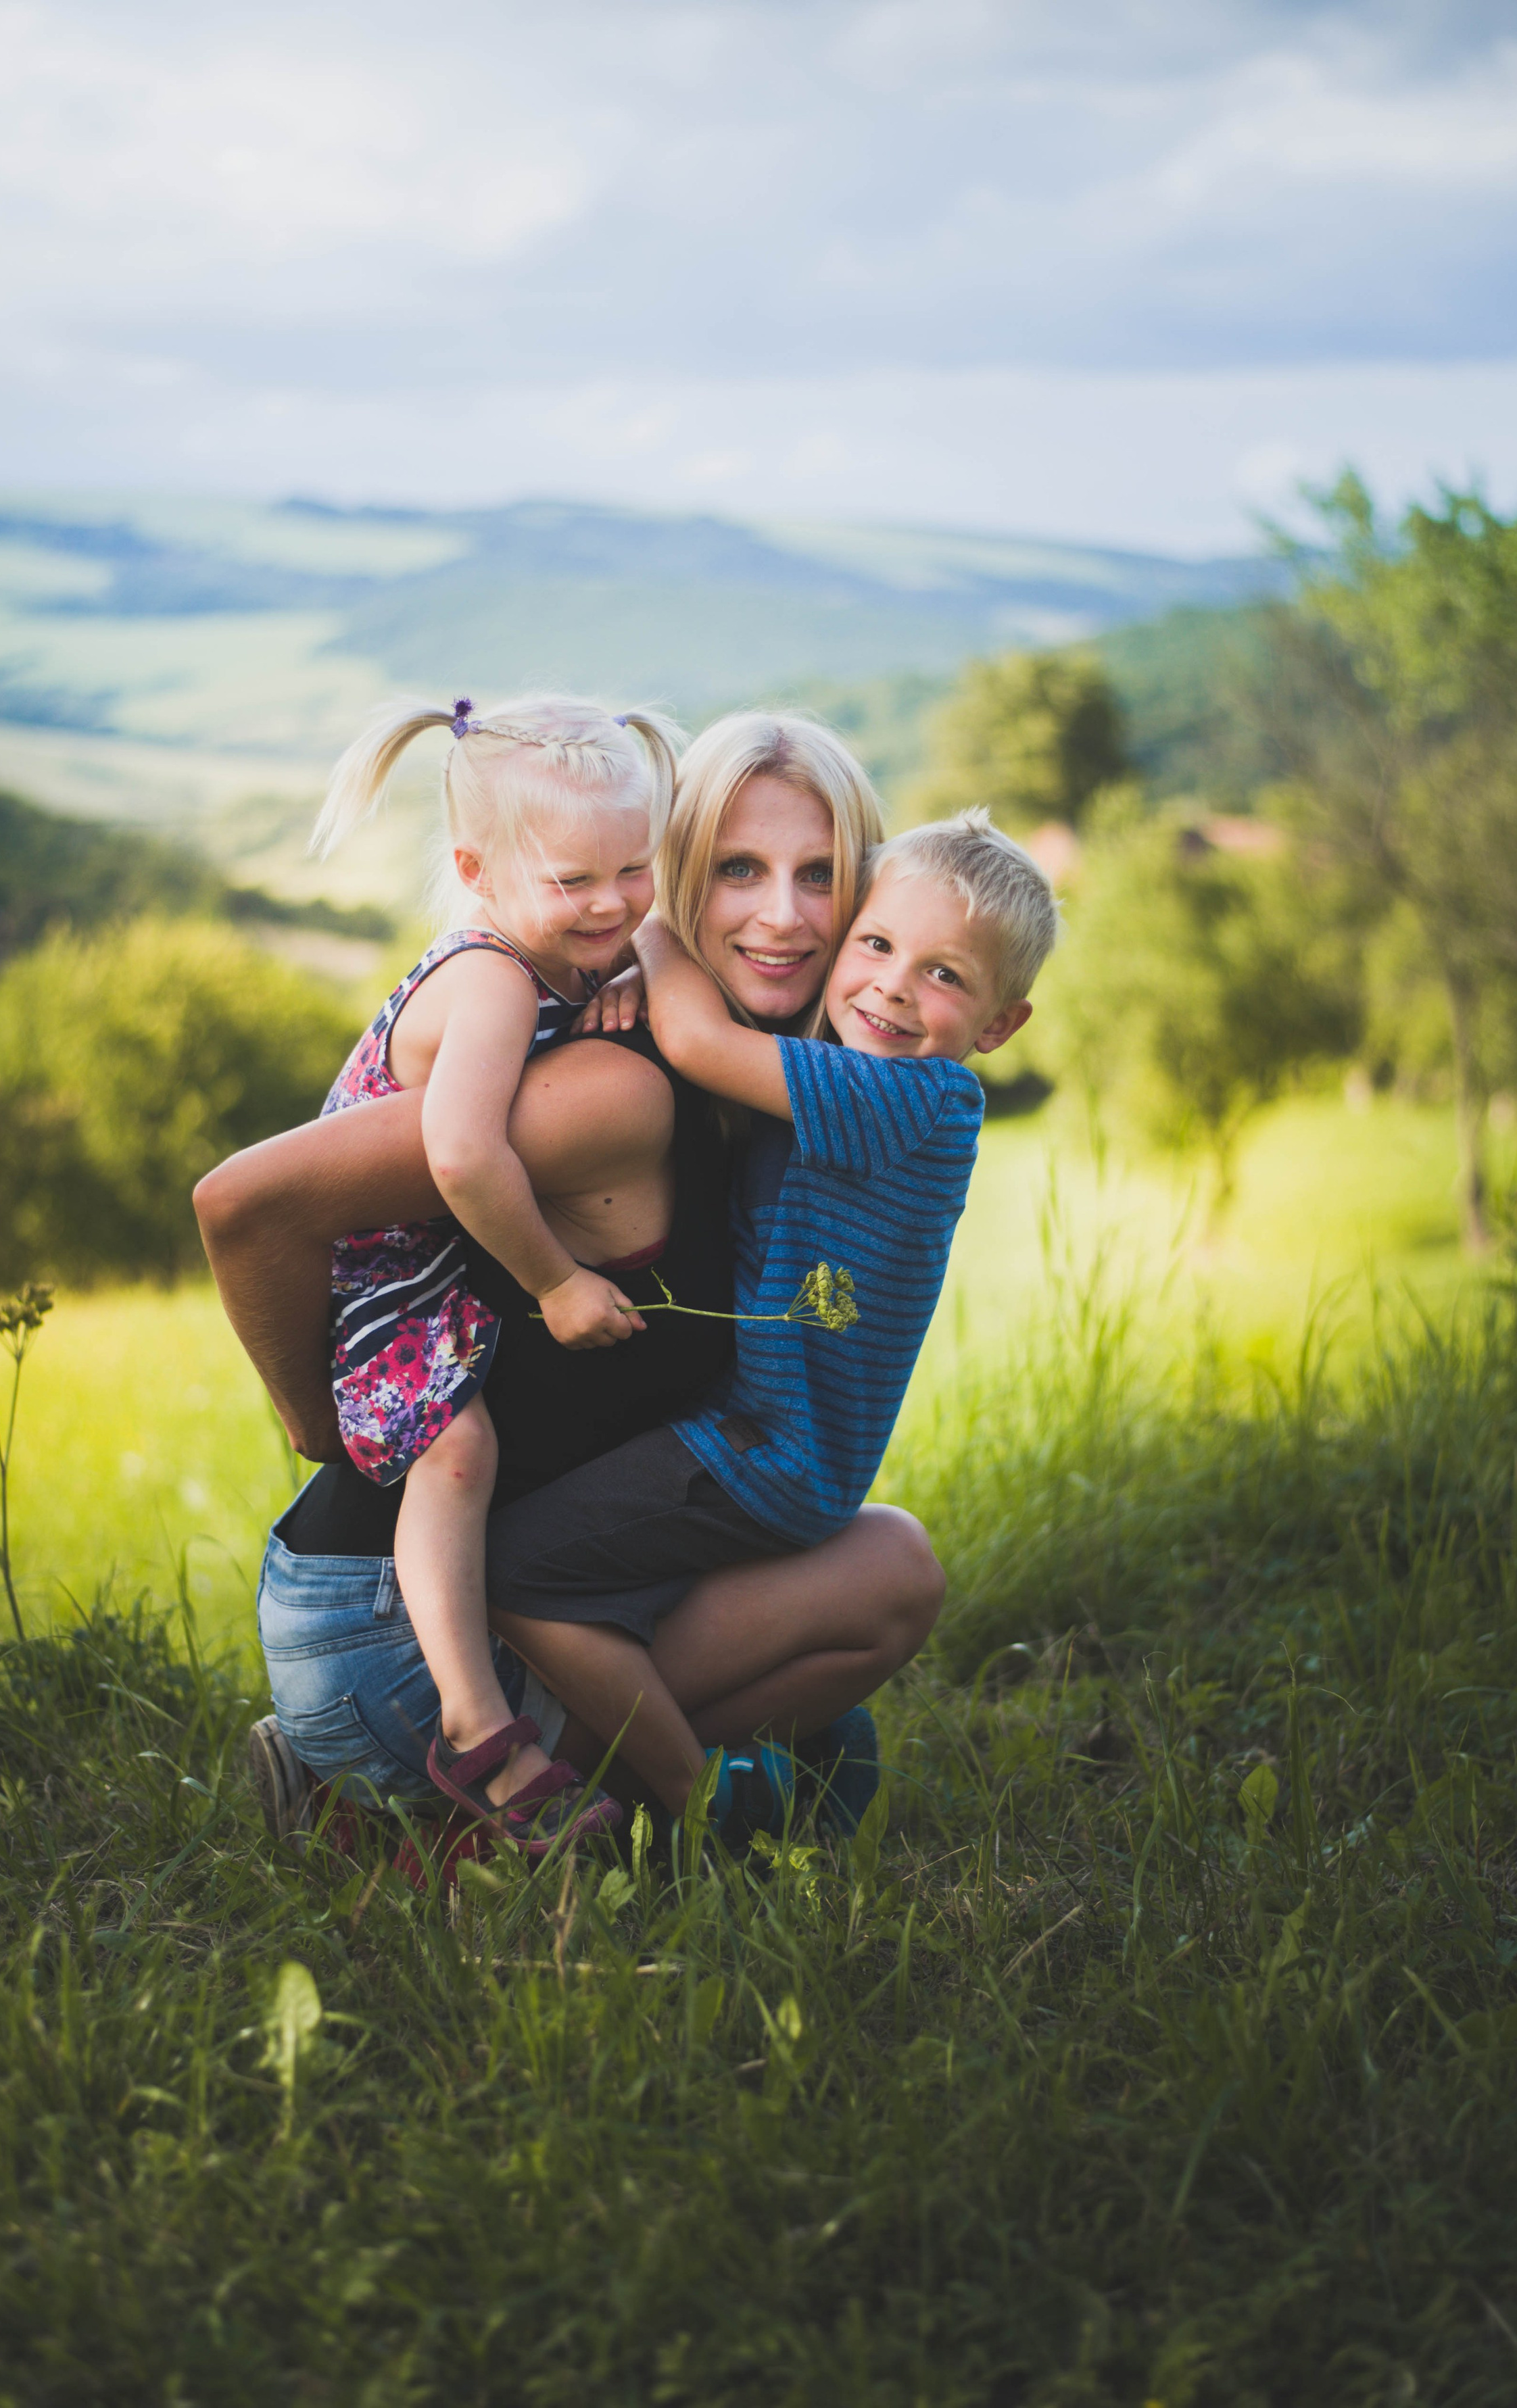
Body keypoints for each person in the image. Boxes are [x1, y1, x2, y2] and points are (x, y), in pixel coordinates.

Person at [193, 713, 969, 1848]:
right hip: (387, 1618)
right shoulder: (618, 1088)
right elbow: (243, 1205)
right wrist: (321, 1424)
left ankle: (446, 1790)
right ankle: (450, 1820)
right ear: (676, 887)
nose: (784, 915)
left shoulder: (778, 1087)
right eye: (737, 871)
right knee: (853, 1617)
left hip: (508, 1569)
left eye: (821, 877)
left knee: (889, 1571)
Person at [472, 806, 1058, 1824]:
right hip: (778, 1449)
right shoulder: (837, 1073)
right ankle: (725, 1768)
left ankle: (699, 1803)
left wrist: (651, 932)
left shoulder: (915, 1102)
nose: (892, 987)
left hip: (762, 1450)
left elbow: (696, 1040)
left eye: (947, 976)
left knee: (516, 1571)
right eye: (876, 944)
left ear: (1000, 1027)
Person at [298, 691, 678, 1851]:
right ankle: (472, 1724)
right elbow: (460, 1155)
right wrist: (560, 1283)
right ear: (476, 868)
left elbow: (639, 934)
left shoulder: (557, 955)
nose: (611, 902)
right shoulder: (493, 978)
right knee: (458, 1452)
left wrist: (633, 965)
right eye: (575, 883)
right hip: (389, 1269)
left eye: (636, 869)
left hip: (444, 1254)